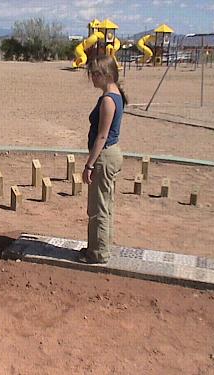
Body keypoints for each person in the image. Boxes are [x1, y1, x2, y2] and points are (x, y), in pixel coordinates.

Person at [79, 55, 127, 264]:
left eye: (94, 75)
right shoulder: (115, 95)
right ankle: (98, 247)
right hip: (110, 154)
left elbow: (102, 135)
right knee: (104, 204)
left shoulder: (108, 100)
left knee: (99, 206)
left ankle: (98, 253)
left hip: (104, 155)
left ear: (104, 74)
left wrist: (89, 164)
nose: (92, 79)